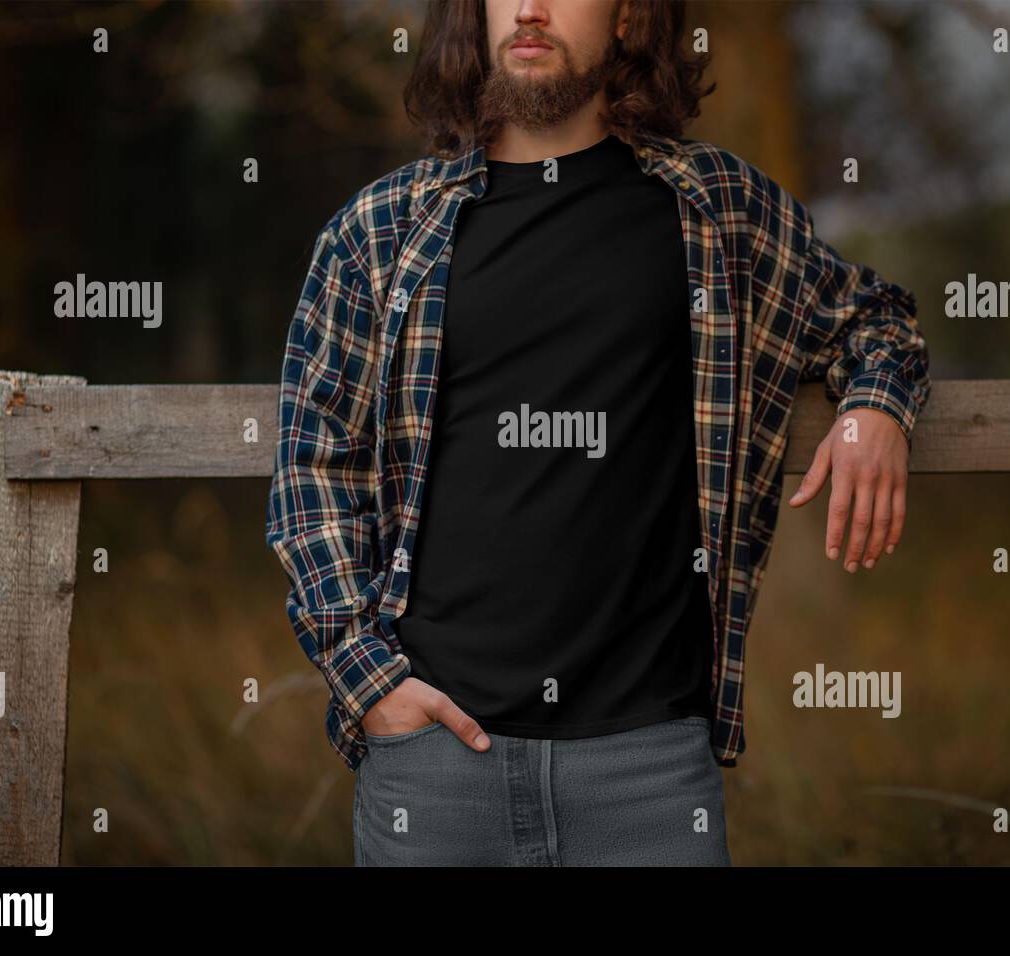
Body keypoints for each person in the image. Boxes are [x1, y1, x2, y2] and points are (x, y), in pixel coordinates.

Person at [265, 0, 931, 866]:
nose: (530, 9)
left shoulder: (714, 209)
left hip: (648, 772)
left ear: (628, 17)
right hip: (432, 767)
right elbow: (312, 465)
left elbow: (877, 320)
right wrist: (371, 683)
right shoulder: (380, 233)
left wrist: (875, 408)